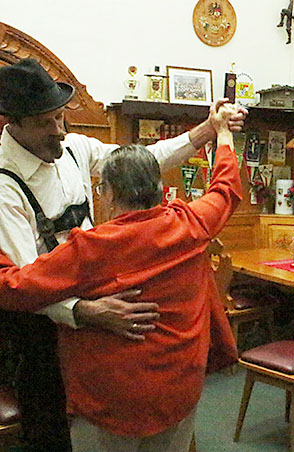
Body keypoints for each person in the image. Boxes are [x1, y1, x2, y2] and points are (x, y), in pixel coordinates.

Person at [0, 58, 247, 452]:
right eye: (47, 122)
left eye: (61, 117)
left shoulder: (88, 231)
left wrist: (207, 129)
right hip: (44, 328)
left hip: (108, 380)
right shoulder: (189, 223)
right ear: (14, 122)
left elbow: (14, 284)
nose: (60, 132)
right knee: (49, 432)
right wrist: (82, 310)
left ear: (108, 193)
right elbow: (27, 286)